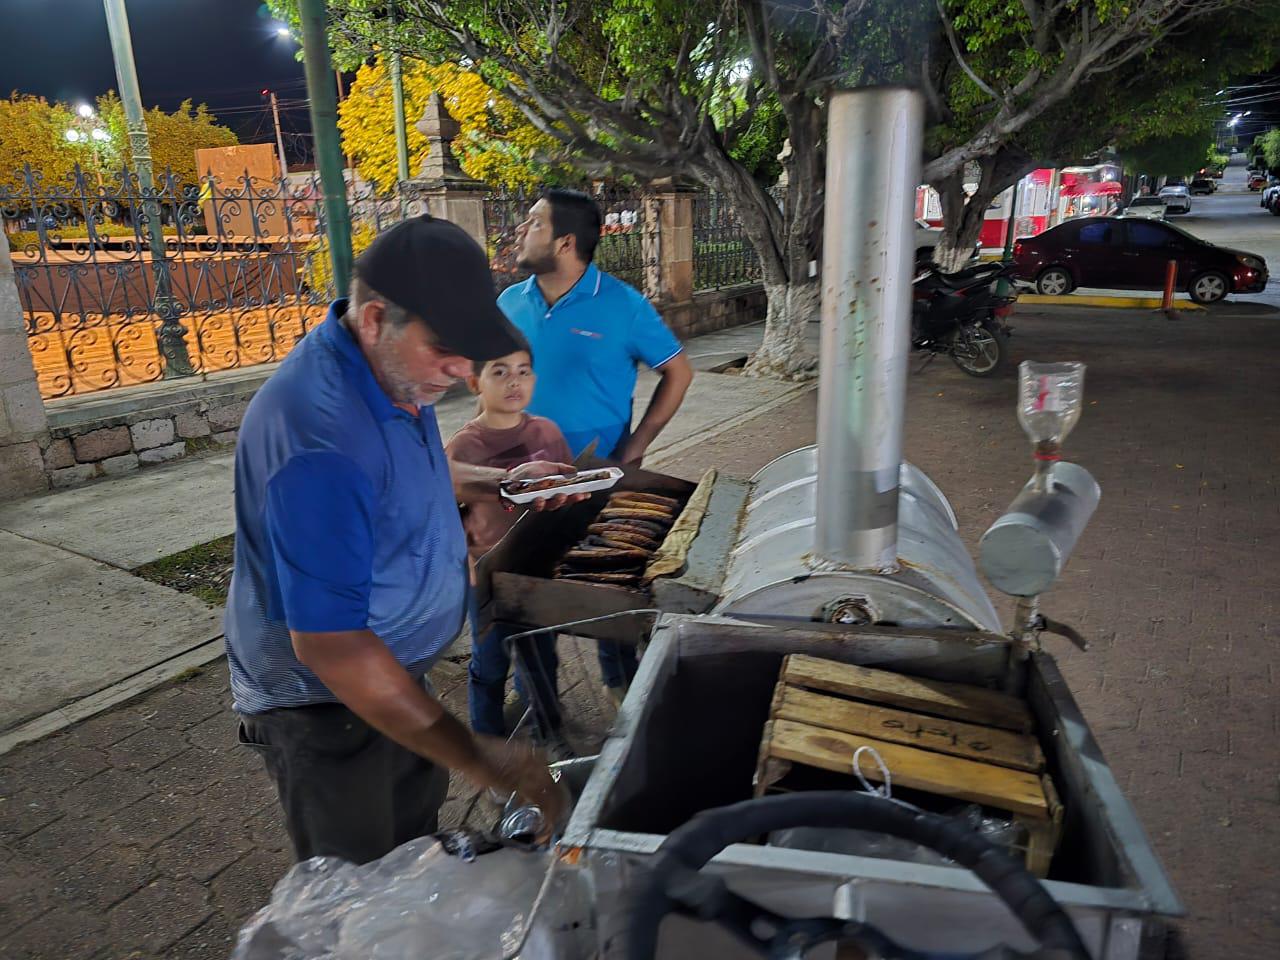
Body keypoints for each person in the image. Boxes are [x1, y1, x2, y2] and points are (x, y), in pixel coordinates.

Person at [225, 215, 580, 865]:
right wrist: (478, 752)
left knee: (413, 851)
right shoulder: (318, 439)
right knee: (359, 886)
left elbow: (410, 470)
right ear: (373, 319)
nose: (460, 370)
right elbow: (331, 646)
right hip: (325, 704)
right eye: (445, 347)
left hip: (394, 677)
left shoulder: (390, 372)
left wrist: (500, 483)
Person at [499, 188, 694, 703]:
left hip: (597, 475)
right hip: (522, 482)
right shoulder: (509, 303)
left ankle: (617, 678)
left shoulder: (623, 305)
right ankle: (535, 691)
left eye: (534, 223)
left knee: (604, 581)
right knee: (529, 584)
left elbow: (677, 371)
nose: (522, 230)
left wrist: (638, 443)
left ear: (565, 241)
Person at [446, 349, 573, 759]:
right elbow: (448, 518)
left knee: (540, 654)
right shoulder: (463, 448)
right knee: (490, 665)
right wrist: (468, 569)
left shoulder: (548, 433)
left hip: (538, 571)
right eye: (499, 372)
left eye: (523, 372)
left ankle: (548, 728)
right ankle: (488, 741)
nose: (514, 382)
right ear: (474, 383)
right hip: (488, 577)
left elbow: (567, 493)